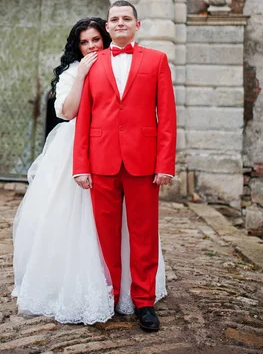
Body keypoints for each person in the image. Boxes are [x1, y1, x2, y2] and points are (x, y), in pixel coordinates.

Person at [12, 16, 167, 325]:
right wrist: (82, 75)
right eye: (85, 42)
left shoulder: (125, 64)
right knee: (71, 221)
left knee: (130, 227)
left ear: (106, 39)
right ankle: (82, 285)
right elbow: (69, 112)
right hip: (77, 150)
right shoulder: (76, 71)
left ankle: (135, 294)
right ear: (77, 46)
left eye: (96, 40)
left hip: (120, 153)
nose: (92, 46)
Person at [73, 1, 177, 332]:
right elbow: (84, 118)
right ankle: (111, 296)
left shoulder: (157, 60)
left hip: (144, 163)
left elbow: (167, 118)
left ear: (137, 24)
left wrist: (165, 164)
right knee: (106, 236)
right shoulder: (93, 63)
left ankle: (144, 302)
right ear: (107, 26)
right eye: (114, 19)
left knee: (144, 235)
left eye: (126, 18)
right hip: (101, 163)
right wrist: (81, 165)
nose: (120, 23)